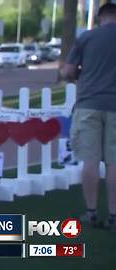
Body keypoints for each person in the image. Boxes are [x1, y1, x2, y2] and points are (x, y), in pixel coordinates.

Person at [62, 3, 116, 231]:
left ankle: (91, 212)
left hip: (88, 104)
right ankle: (114, 216)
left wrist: (81, 75)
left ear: (99, 17)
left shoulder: (86, 38)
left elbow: (68, 72)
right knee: (114, 161)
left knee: (90, 160)